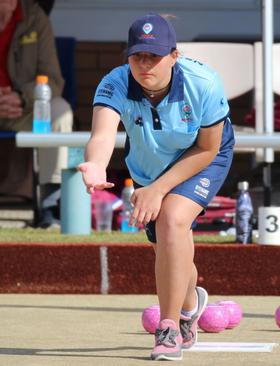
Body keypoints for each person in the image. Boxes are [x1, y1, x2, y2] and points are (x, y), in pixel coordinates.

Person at [78, 13, 235, 361]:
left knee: (172, 220)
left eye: (154, 56)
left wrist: (159, 189)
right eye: (137, 56)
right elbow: (102, 136)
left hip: (202, 155)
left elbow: (208, 148)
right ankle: (191, 303)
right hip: (150, 163)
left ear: (174, 56)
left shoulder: (204, 82)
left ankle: (170, 327)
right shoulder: (114, 82)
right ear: (128, 56)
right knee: (168, 243)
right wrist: (96, 164)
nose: (144, 64)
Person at [0, 0, 73, 227]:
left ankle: (50, 205)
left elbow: (53, 80)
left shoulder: (34, 17)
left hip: (23, 108)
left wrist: (22, 96)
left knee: (60, 111)